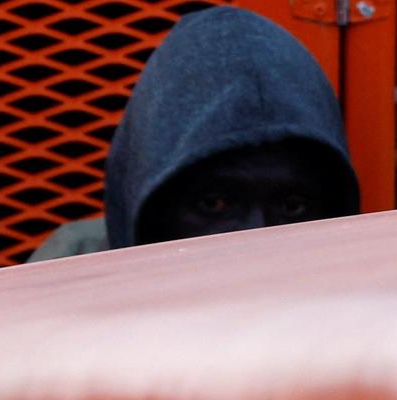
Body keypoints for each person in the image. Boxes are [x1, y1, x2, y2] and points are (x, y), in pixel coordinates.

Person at [27, 8, 359, 260]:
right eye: (214, 204)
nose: (256, 241)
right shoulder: (66, 276)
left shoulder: (369, 305)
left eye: (292, 207)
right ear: (152, 207)